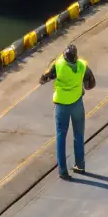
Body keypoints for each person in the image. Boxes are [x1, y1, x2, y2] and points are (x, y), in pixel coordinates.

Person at [40, 43, 96, 181]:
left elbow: (43, 78)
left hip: (62, 106)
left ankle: (63, 171)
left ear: (65, 56)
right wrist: (81, 86)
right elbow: (91, 83)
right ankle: (80, 165)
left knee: (61, 136)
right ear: (76, 57)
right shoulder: (83, 66)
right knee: (79, 134)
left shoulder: (58, 65)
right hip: (77, 103)